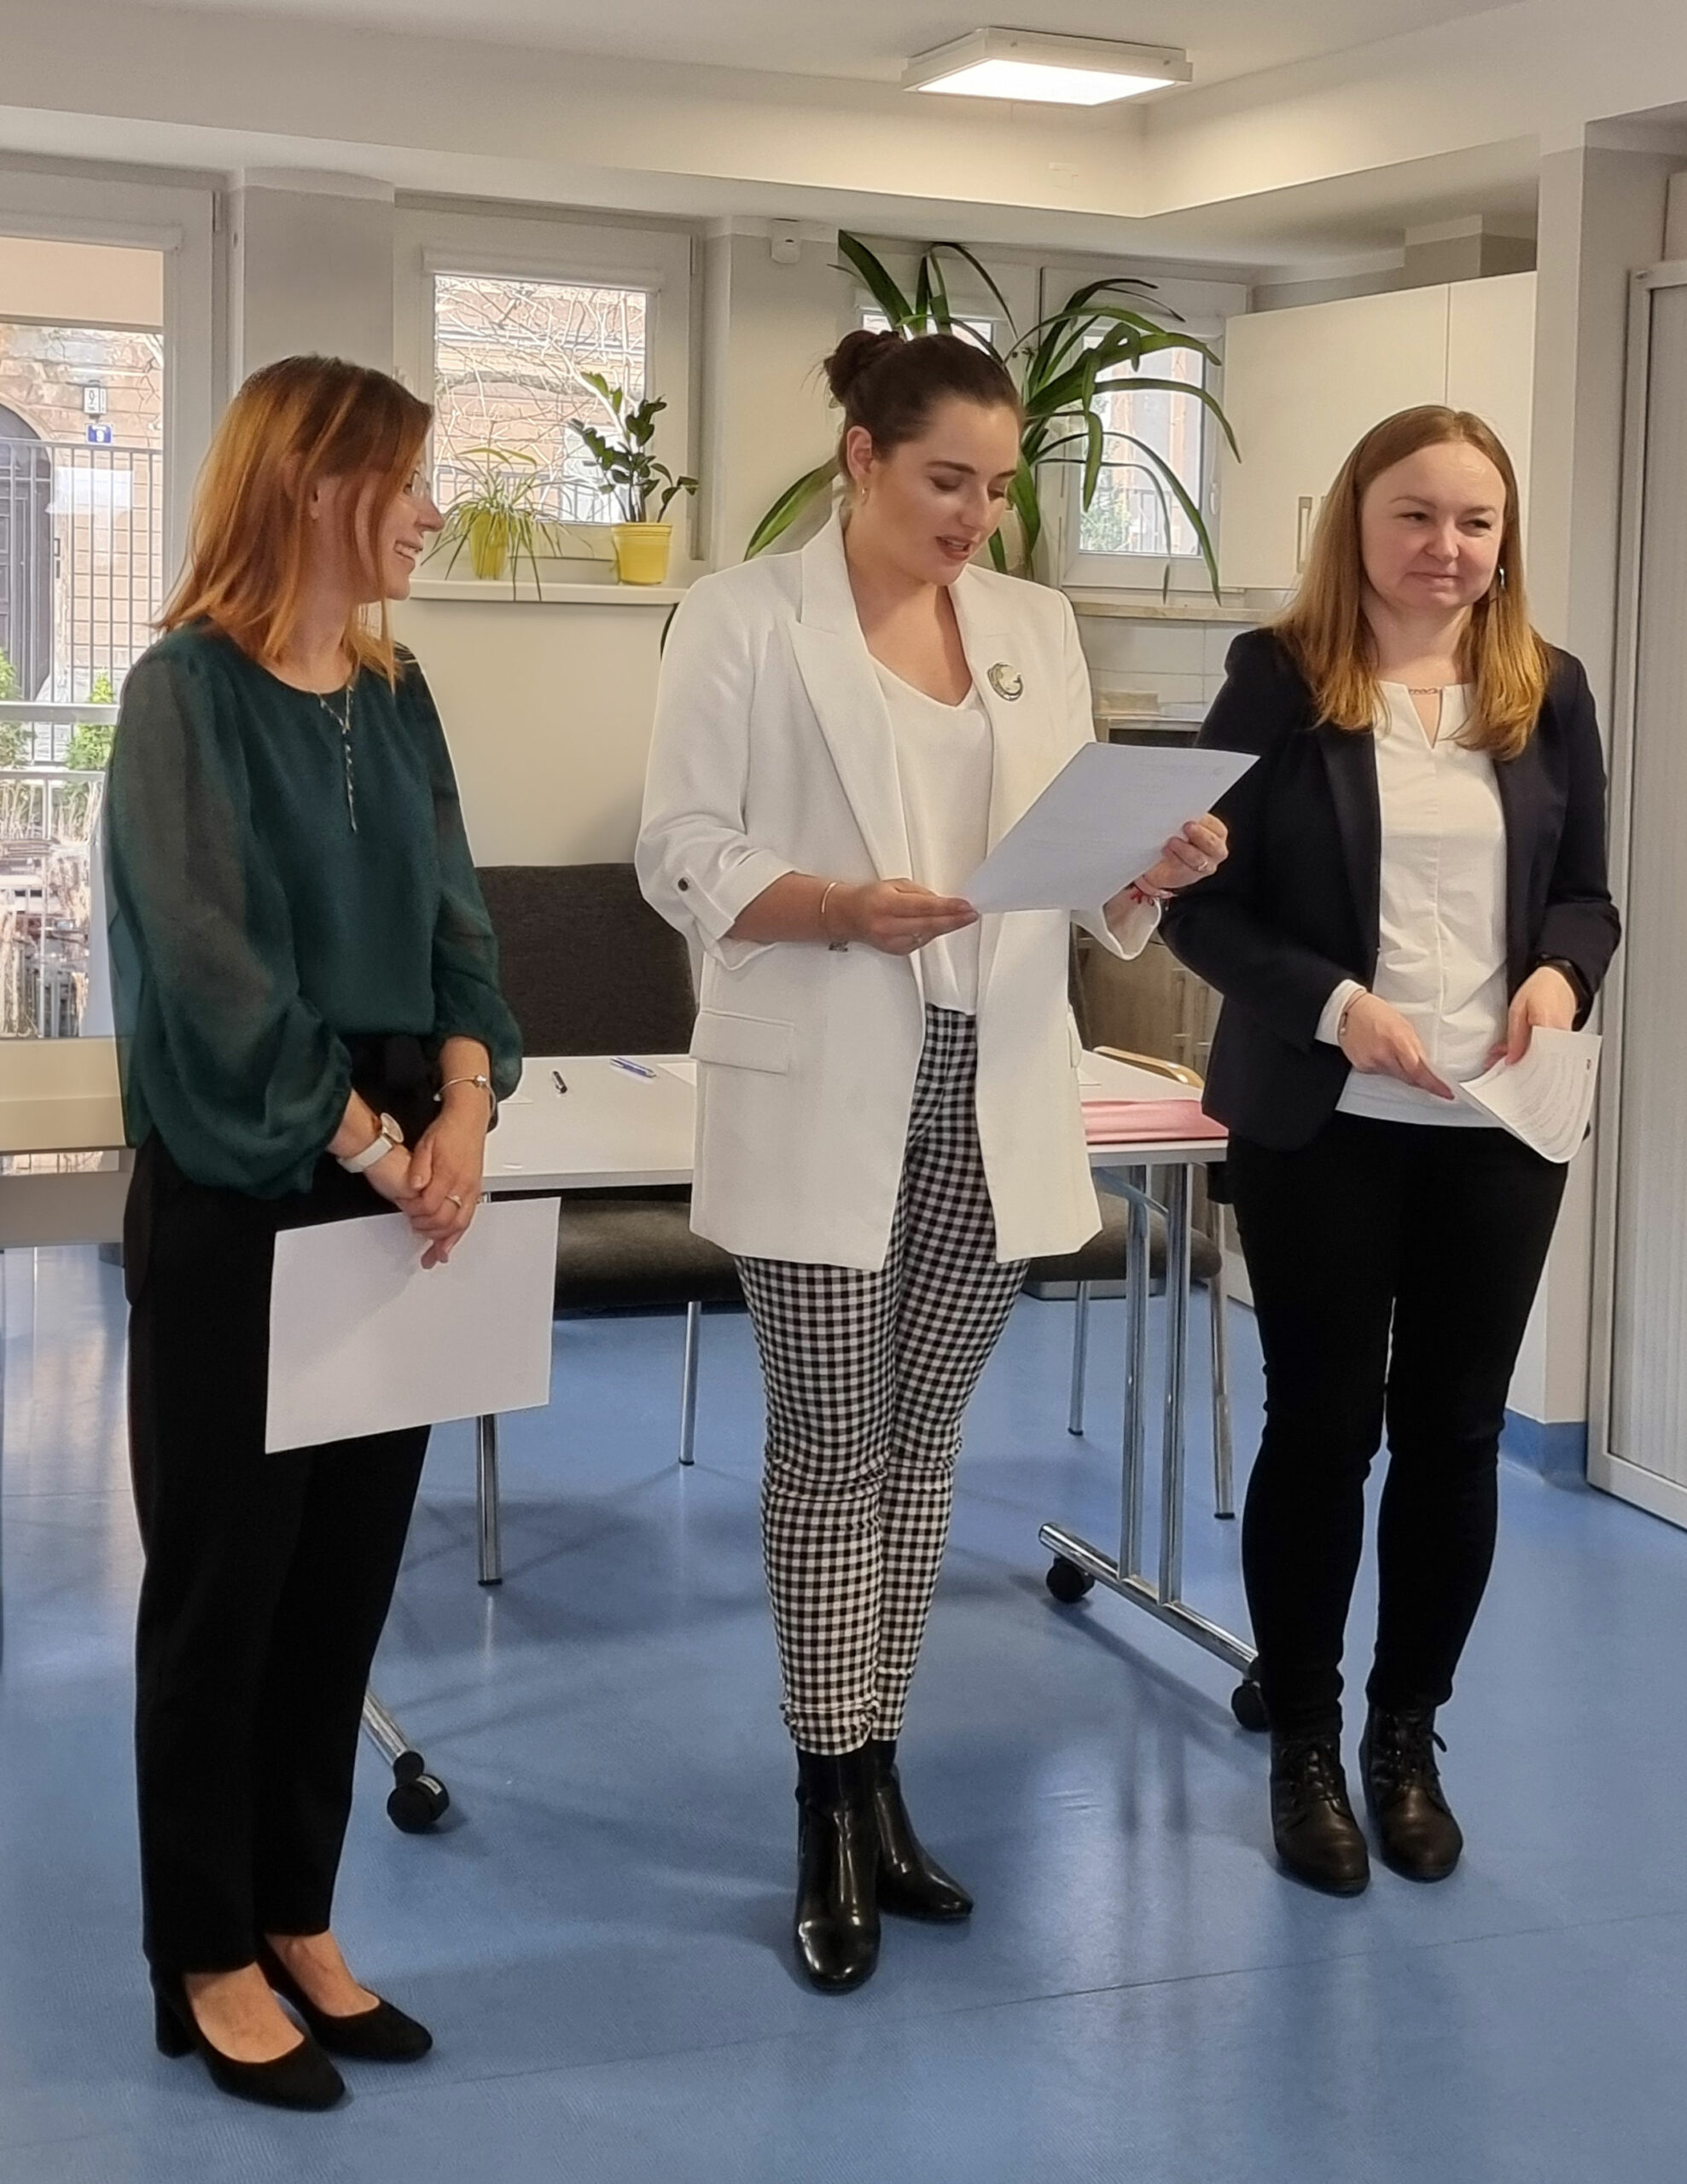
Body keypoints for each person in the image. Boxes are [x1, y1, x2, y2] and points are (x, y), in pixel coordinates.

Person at [637, 328, 1227, 1991]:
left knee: (918, 1448)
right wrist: (834, 905)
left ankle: (881, 1778)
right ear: (861, 457)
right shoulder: (742, 616)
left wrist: (1149, 869)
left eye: (994, 485)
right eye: (943, 480)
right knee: (831, 1445)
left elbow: (1069, 875)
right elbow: (674, 848)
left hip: (998, 1076)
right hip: (821, 1070)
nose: (973, 515)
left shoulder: (1033, 628)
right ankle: (824, 1807)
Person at [106, 355, 522, 2107]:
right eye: (406, 480)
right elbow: (212, 970)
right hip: (248, 1178)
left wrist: (467, 1102)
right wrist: (374, 1143)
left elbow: (456, 918)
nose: (430, 510)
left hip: (396, 1165)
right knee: (226, 1591)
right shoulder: (182, 695)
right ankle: (204, 1951)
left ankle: (298, 1915)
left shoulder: (398, 691)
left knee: (343, 1586)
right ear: (314, 485)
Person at [1161, 405, 1620, 1896]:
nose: (1446, 547)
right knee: (1319, 1430)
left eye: (1475, 521)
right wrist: (1334, 1007)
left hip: (1498, 1126)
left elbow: (1587, 895)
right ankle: (1301, 1739)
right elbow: (1195, 905)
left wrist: (1559, 975)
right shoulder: (1278, 679)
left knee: (1455, 1435)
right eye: (1414, 514)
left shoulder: (1545, 687)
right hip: (1323, 1120)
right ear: (1353, 521)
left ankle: (1403, 1734)